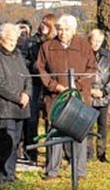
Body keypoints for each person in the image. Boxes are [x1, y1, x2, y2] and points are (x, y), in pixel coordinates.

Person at [36, 14, 97, 180]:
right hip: (55, 97)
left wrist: (76, 85)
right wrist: (55, 86)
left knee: (79, 132)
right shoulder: (47, 46)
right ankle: (52, 171)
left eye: (66, 29)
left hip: (78, 97)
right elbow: (40, 70)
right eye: (60, 29)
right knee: (54, 132)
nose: (62, 32)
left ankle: (79, 171)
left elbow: (92, 69)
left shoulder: (83, 45)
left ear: (74, 30)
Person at [0, 24, 32, 184]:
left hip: (20, 107)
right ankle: (0, 173)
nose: (13, 42)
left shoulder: (17, 55)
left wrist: (27, 93)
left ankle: (10, 173)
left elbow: (27, 77)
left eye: (15, 39)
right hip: (4, 107)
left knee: (15, 141)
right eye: (10, 39)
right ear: (1, 38)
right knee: (5, 140)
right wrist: (17, 96)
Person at [21, 14, 58, 163]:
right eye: (42, 23)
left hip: (50, 86)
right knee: (31, 121)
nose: (43, 26)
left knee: (52, 121)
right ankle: (31, 155)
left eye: (47, 24)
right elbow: (23, 60)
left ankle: (52, 158)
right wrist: (35, 67)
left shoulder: (56, 44)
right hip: (34, 84)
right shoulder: (30, 42)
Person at [88, 28, 110, 162]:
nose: (96, 43)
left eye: (99, 41)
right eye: (94, 40)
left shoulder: (109, 56)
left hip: (103, 95)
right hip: (88, 94)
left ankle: (101, 153)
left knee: (102, 126)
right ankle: (88, 153)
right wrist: (88, 90)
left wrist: (105, 91)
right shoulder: (84, 54)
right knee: (88, 125)